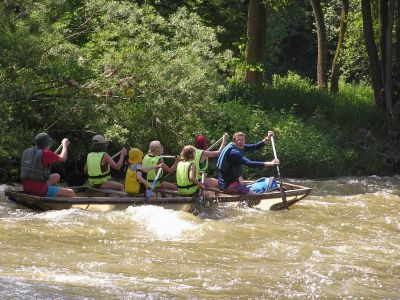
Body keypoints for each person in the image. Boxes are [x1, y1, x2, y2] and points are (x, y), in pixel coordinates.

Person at [21, 132, 76, 197]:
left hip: (27, 188)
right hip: (39, 190)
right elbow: (63, 158)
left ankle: (52, 192)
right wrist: (64, 145)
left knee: (56, 176)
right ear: (47, 144)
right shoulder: (46, 153)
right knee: (71, 192)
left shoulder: (27, 152)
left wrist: (55, 156)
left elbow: (53, 157)